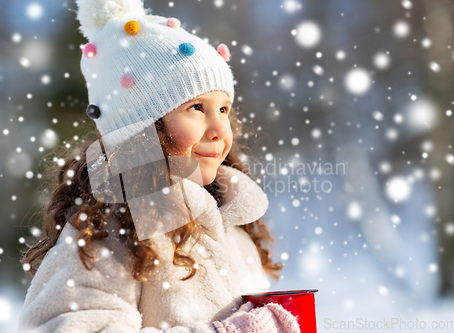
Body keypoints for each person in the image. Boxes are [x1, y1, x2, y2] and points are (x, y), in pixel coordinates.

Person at [18, 0, 301, 332]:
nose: (220, 130)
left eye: (224, 110)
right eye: (197, 107)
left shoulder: (234, 230)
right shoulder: (111, 232)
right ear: (142, 127)